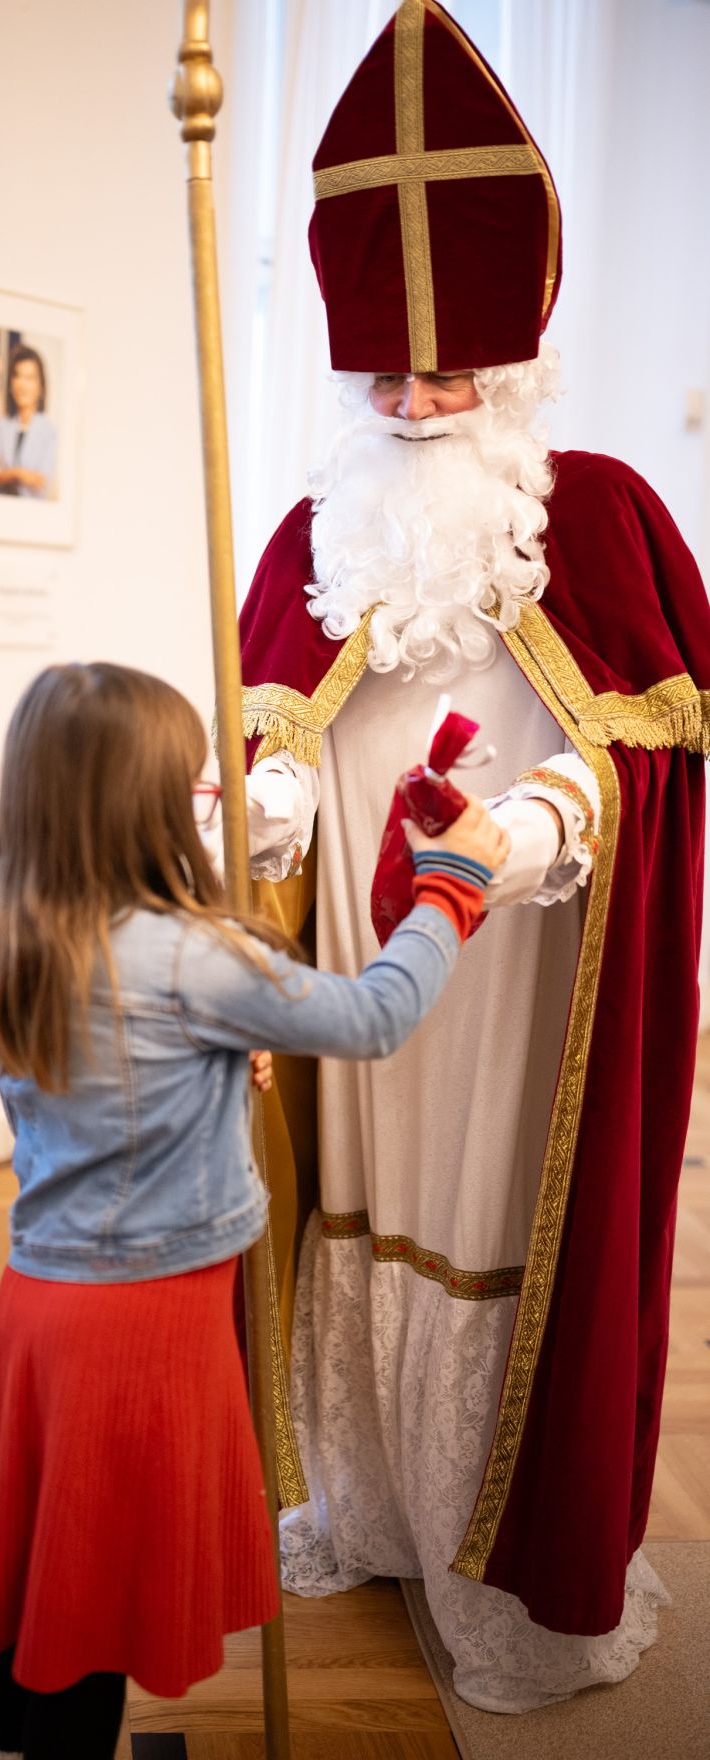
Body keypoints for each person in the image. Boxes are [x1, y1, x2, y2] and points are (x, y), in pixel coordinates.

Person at [237, 0, 710, 1714]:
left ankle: (501, 1563)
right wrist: (268, 802)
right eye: (384, 371)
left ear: (514, 363)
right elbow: (269, 721)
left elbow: (647, 766)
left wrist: (532, 829)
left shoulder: (593, 518)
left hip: (521, 977)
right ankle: (371, 1506)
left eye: (446, 370)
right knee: (362, 1210)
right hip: (362, 991)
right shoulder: (311, 529)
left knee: (496, 1219)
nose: (415, 400)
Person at [0, 660, 507, 1760]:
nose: (211, 802)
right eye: (197, 788)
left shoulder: (28, 922)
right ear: (145, 808)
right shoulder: (191, 952)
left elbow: (107, 1081)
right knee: (99, 1588)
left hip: (44, 1300)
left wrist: (203, 1073)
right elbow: (372, 1014)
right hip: (140, 1316)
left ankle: (3, 1739)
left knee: (46, 1562)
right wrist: (449, 890)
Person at [0, 344, 57, 499]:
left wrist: (3, 473)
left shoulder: (50, 431)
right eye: (17, 376)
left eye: (29, 378)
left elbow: (42, 484)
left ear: (40, 386)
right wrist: (20, 474)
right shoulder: (2, 426)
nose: (22, 384)